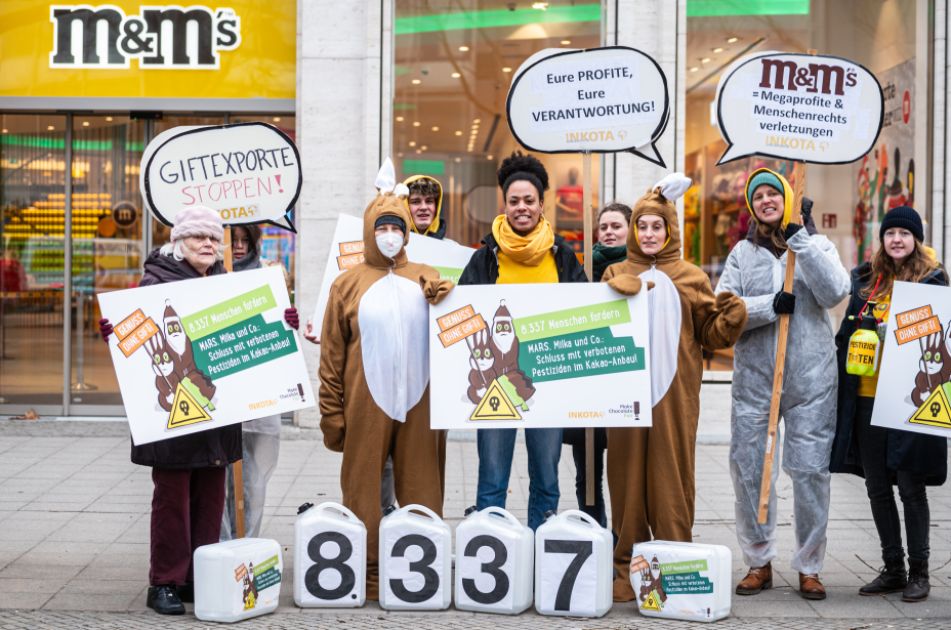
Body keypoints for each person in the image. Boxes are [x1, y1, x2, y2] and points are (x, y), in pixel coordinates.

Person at [98, 206, 299, 615]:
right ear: (178, 242)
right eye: (197, 237)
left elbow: (249, 337)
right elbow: (138, 338)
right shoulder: (157, 283)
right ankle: (165, 582)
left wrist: (283, 321)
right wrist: (115, 334)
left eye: (212, 237)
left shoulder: (224, 283)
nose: (208, 244)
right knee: (172, 499)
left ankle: (198, 575)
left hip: (216, 417)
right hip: (172, 417)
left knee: (210, 499)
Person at [602, 177, 748, 601]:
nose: (649, 235)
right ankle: (625, 567)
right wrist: (612, 293)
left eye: (657, 227)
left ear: (670, 231)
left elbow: (710, 334)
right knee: (626, 481)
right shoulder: (615, 272)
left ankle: (673, 563)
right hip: (624, 397)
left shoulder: (691, 277)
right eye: (642, 226)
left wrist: (731, 318)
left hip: (675, 397)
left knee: (672, 480)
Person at [318, 161, 451, 600]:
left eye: (397, 227)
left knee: (422, 487)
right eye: (382, 227)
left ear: (407, 232)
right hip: (365, 405)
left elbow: (455, 336)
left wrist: (448, 299)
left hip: (420, 404)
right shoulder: (347, 285)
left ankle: (419, 573)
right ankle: (368, 571)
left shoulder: (427, 276)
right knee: (362, 491)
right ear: (369, 231)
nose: (390, 235)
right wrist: (331, 414)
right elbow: (331, 357)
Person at [716, 168, 850, 601]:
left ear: (788, 200)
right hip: (756, 380)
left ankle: (810, 566)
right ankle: (759, 562)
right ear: (752, 206)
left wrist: (802, 244)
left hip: (812, 380)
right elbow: (724, 308)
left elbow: (836, 291)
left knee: (810, 472)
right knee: (750, 470)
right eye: (759, 196)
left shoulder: (817, 244)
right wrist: (767, 306)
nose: (767, 200)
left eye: (774, 193)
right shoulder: (742, 253)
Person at [458, 151, 587, 531]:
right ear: (504, 205)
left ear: (542, 204)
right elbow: (465, 316)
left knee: (546, 477)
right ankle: (491, 542)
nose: (522, 208)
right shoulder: (485, 258)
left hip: (547, 382)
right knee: (492, 477)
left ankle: (539, 543)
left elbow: (582, 313)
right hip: (494, 388)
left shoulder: (562, 256)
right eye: (514, 201)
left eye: (529, 200)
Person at [830, 206, 947, 602]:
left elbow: (938, 339)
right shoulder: (867, 281)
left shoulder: (932, 280)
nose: (897, 239)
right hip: (865, 398)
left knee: (911, 487)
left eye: (904, 233)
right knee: (877, 486)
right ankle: (893, 568)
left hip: (907, 400)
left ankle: (920, 572)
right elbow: (845, 334)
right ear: (881, 239)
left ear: (916, 239)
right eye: (890, 233)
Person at [562, 202, 632, 527]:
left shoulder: (639, 269)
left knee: (624, 473)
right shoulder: (583, 269)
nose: (609, 232)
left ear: (630, 230)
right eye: (603, 227)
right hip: (587, 386)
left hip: (624, 385)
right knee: (587, 474)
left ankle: (623, 536)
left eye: (616, 226)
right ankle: (595, 531)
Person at [220, 224, 288, 541]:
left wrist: (287, 323)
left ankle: (246, 543)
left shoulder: (269, 277)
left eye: (244, 240)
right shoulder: (208, 278)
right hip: (221, 398)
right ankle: (221, 546)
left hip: (258, 400)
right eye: (233, 240)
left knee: (252, 482)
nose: (238, 246)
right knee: (219, 484)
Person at [403, 174, 451, 240]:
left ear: (437, 206)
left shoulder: (451, 246)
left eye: (429, 201)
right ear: (404, 206)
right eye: (416, 202)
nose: (424, 207)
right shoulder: (393, 245)